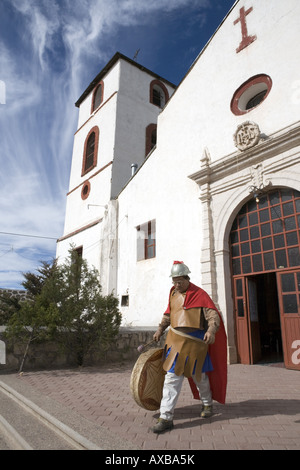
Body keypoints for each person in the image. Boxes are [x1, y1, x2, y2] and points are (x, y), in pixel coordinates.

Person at [151, 261, 227, 434]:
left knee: (200, 378)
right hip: (176, 343)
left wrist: (211, 330)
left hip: (195, 344)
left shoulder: (200, 294)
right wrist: (160, 328)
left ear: (187, 278)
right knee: (171, 379)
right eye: (174, 281)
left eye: (180, 282)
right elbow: (168, 314)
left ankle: (207, 404)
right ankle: (166, 417)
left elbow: (212, 314)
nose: (177, 285)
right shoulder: (173, 293)